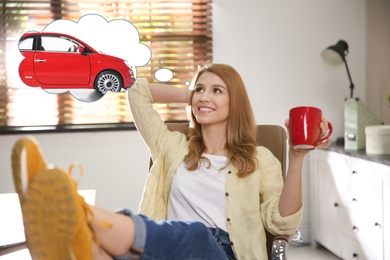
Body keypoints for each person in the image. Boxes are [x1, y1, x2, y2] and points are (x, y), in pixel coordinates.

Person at [11, 63, 331, 260]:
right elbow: (137, 91)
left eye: (217, 90)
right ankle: (61, 239)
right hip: (163, 246)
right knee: (105, 252)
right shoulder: (171, 146)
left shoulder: (260, 160)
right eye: (200, 89)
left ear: (236, 103)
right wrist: (191, 93)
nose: (204, 96)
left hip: (221, 252)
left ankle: (69, 209)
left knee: (196, 234)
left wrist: (298, 155)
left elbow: (282, 223)